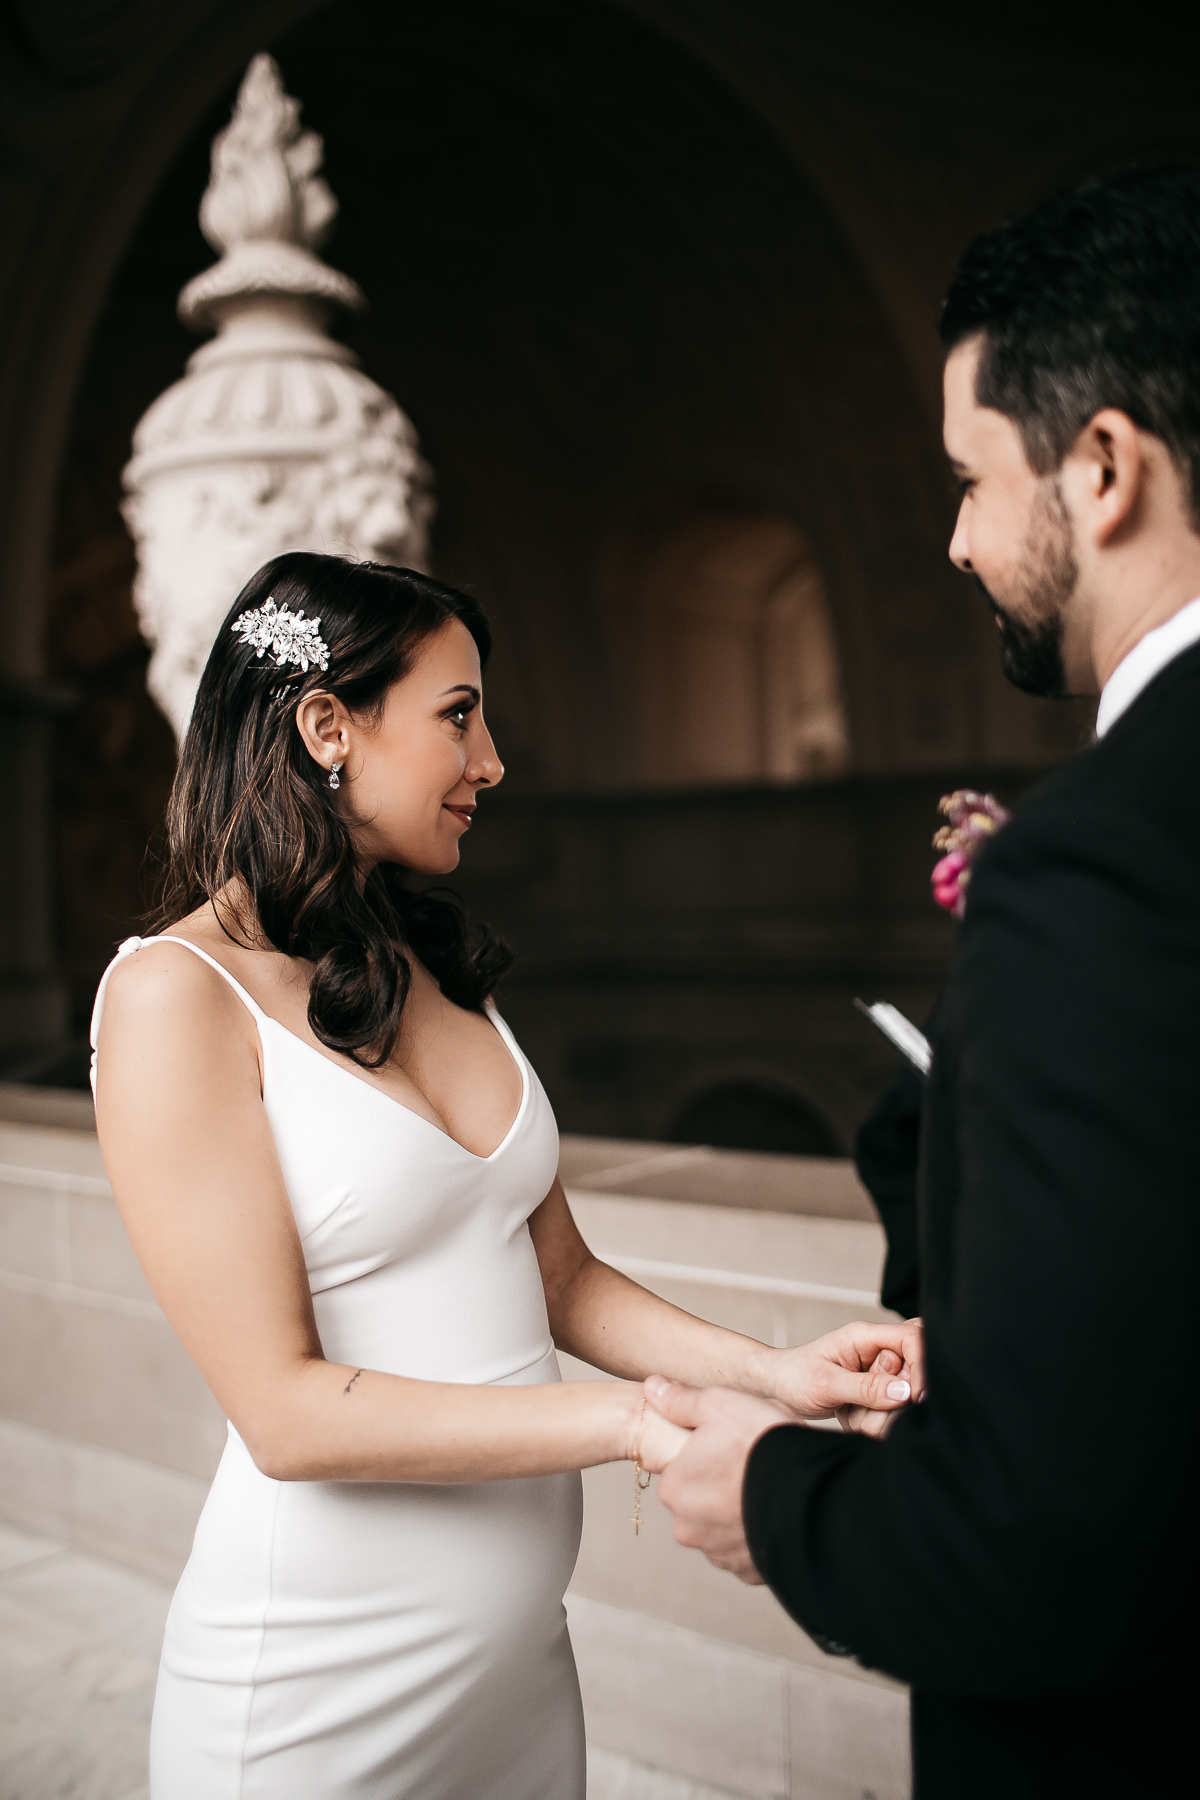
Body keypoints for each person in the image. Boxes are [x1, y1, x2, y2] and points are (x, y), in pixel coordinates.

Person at [90, 550, 921, 1800]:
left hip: (519, 1675)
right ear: (328, 726)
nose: (492, 763)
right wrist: (635, 1427)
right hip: (317, 1690)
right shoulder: (173, 999)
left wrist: (776, 1370)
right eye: (459, 715)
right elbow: (287, 1413)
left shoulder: (428, 959)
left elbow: (563, 1279)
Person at [647, 165, 1200, 1796]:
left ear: (1103, 468)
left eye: (970, 479)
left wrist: (767, 1496)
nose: (955, 543)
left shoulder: (1099, 863)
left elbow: (1036, 1555)